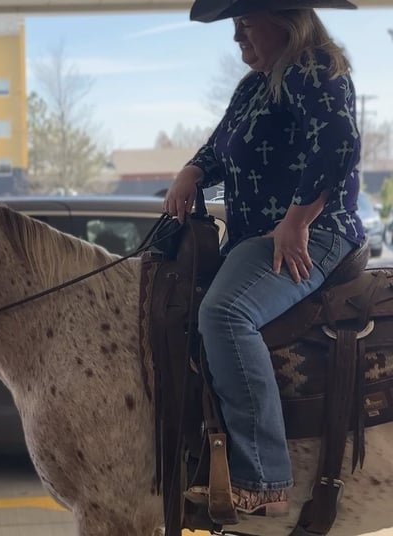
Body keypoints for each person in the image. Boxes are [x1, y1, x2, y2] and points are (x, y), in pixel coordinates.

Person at [164, 0, 365, 518]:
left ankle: (263, 478)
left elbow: (339, 143)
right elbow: (220, 148)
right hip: (257, 237)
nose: (238, 38)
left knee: (225, 313)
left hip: (315, 233)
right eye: (236, 26)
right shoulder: (254, 87)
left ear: (286, 22)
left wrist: (296, 221)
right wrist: (191, 171)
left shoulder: (312, 67)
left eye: (246, 24)